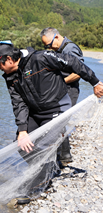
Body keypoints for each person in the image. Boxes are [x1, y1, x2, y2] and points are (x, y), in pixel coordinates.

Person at [0, 40, 103, 204]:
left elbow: (73, 62)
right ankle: (47, 168)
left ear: (9, 59)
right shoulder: (9, 76)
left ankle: (38, 186)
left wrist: (95, 82)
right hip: (35, 112)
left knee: (43, 146)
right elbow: (18, 103)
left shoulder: (41, 58)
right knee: (21, 145)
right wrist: (22, 130)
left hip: (57, 107)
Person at [40, 27, 83, 164]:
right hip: (63, 90)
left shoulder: (70, 49)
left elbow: (78, 72)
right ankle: (63, 156)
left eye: (49, 44)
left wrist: (59, 82)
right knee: (59, 122)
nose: (49, 47)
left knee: (60, 122)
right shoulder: (61, 49)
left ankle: (63, 157)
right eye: (46, 46)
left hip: (70, 90)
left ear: (57, 37)